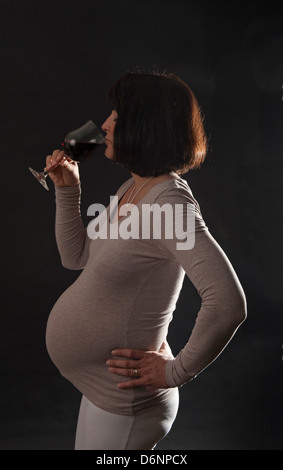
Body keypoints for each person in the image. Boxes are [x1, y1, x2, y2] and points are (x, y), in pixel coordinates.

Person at [44, 71, 247, 450]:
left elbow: (228, 303)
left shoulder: (168, 204)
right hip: (102, 387)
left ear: (145, 126)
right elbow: (76, 258)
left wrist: (175, 371)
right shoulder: (132, 188)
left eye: (116, 116)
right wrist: (68, 192)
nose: (104, 125)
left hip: (127, 401)